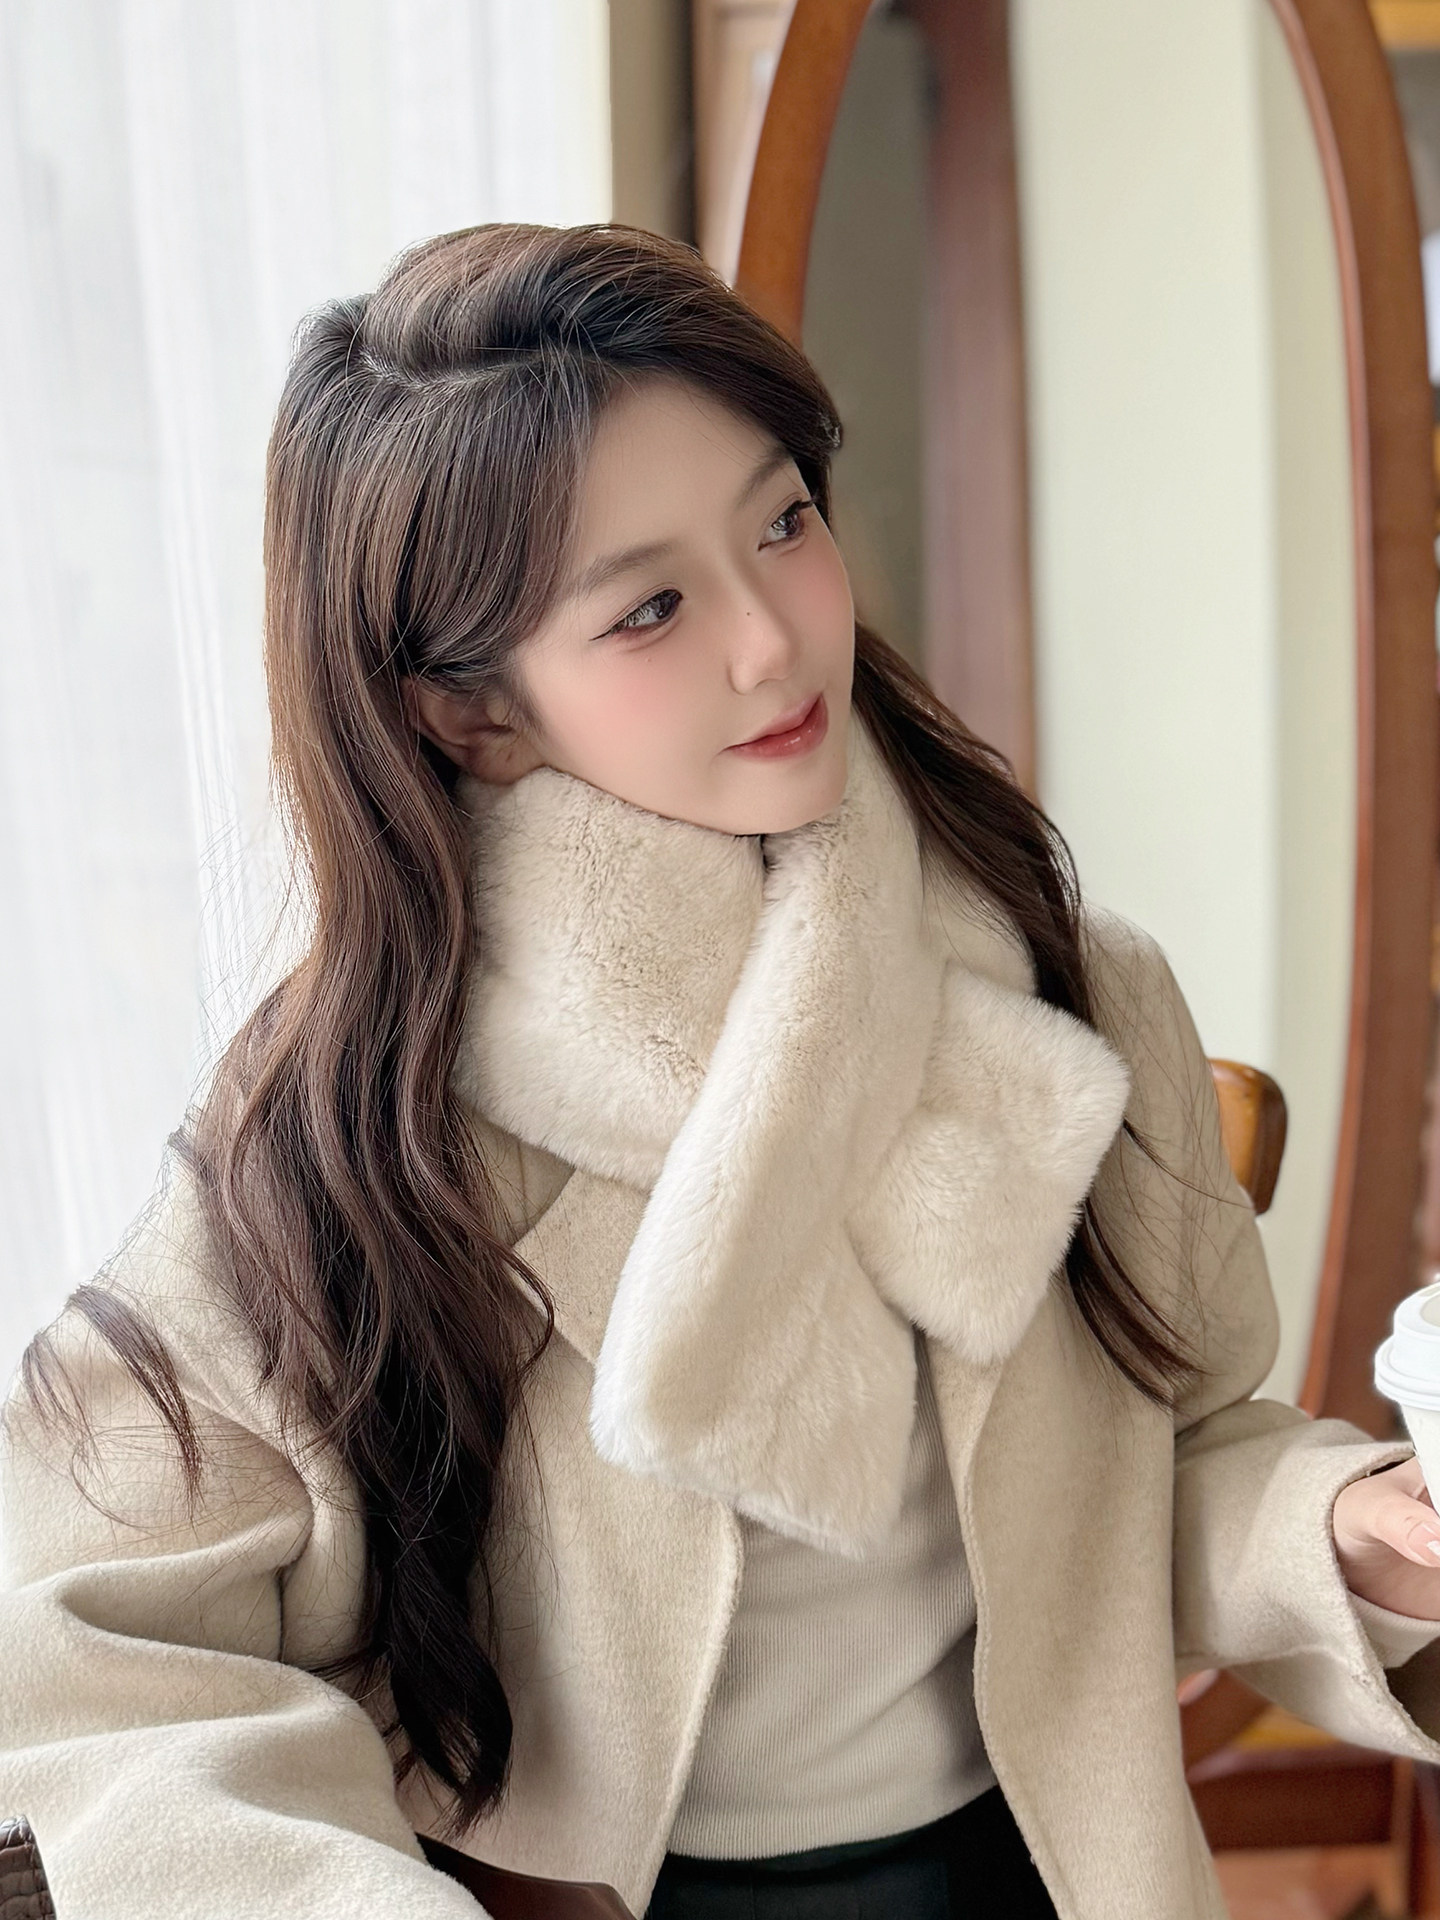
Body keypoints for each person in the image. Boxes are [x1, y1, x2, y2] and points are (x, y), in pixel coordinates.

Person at [4, 223, 1440, 1920]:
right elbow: (89, 1649)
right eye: (652, 607)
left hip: (1054, 1868)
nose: (772, 638)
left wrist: (1346, 1531)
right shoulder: (357, 1130)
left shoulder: (1070, 982)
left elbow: (1166, 1463)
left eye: (783, 521)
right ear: (471, 712)